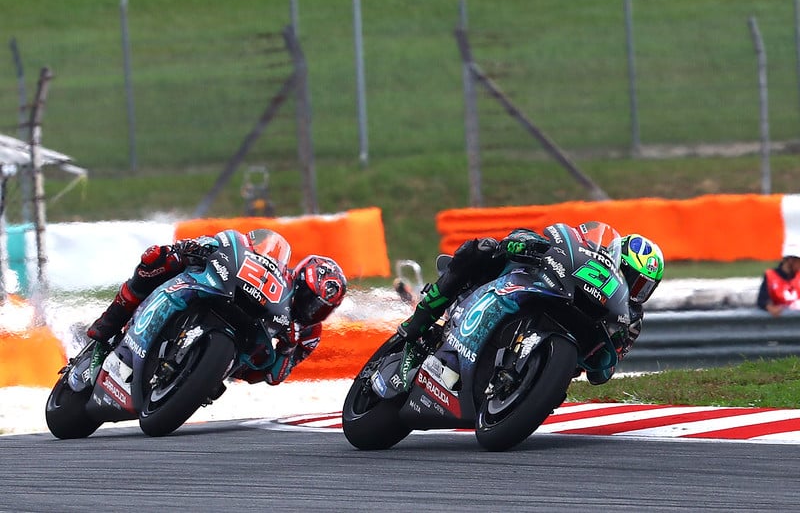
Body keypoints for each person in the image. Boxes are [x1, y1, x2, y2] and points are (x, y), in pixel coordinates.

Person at [394, 225, 665, 386]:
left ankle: (523, 387)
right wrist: (526, 242)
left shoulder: (630, 319)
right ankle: (420, 320)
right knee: (485, 248)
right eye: (634, 279)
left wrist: (609, 347)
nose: (635, 290)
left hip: (556, 355)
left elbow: (603, 373)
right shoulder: (591, 255)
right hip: (537, 288)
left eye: (644, 287)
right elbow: (552, 243)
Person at [86, 228, 347, 385]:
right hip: (227, 295)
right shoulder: (279, 276)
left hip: (243, 351)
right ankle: (106, 328)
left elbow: (275, 377)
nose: (311, 311)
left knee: (256, 367)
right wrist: (197, 247)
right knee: (158, 259)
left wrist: (287, 349)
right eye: (309, 300)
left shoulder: (310, 334)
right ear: (298, 280)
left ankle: (198, 377)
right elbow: (236, 245)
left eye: (320, 309)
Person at [756, 245, 800, 317]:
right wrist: (770, 308)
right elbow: (762, 300)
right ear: (791, 260)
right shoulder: (770, 276)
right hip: (779, 320)